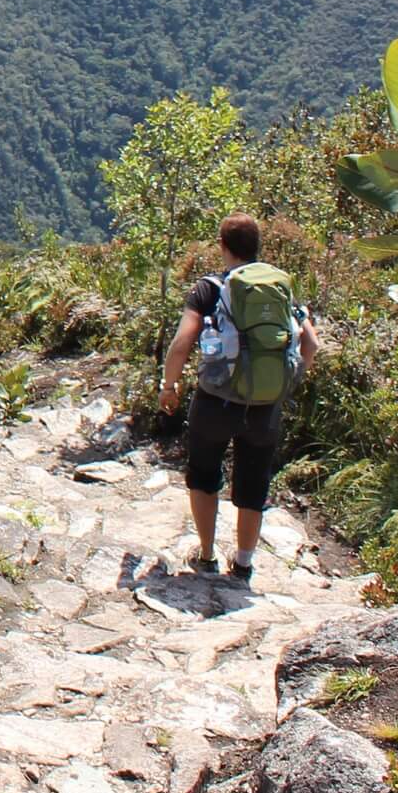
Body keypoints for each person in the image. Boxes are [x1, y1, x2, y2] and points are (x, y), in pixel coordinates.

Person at [157, 214, 321, 584]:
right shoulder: (279, 288)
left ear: (222, 245)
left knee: (203, 474)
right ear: (258, 246)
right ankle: (244, 563)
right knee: (253, 482)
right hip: (264, 406)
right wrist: (284, 384)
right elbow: (310, 344)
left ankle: (206, 554)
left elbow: (183, 342)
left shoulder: (210, 288)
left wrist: (169, 385)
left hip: (215, 400)